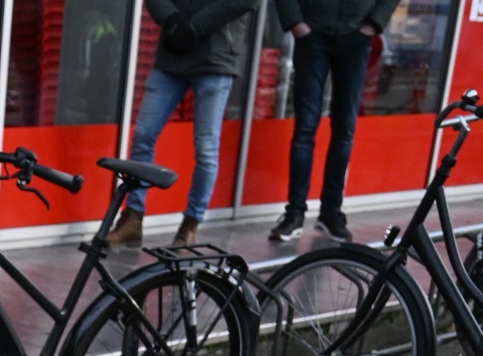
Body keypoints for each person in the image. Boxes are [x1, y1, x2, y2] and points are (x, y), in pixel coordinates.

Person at [106, 0, 255, 248]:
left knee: (206, 148)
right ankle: (133, 216)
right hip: (172, 54)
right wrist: (172, 19)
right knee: (144, 134)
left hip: (214, 57)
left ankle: (190, 224)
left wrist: (192, 27)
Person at [269, 0, 393, 243]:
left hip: (356, 37)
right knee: (305, 128)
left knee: (344, 129)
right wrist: (295, 22)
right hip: (312, 35)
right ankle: (294, 213)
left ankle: (330, 213)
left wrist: (373, 24)